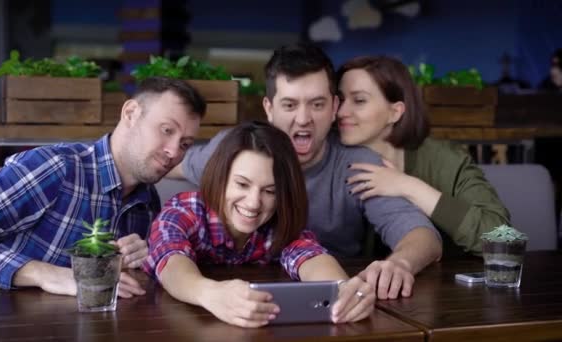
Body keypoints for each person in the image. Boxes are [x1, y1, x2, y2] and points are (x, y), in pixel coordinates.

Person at [169, 44, 442, 300]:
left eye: (317, 104)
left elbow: (423, 236)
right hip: (237, 294)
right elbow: (168, 164)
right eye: (289, 105)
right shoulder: (235, 152)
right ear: (269, 108)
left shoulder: (359, 165)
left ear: (334, 107)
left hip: (334, 295)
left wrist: (398, 263)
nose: (303, 119)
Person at [0, 77, 206, 298]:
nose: (173, 152)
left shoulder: (147, 201)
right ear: (130, 113)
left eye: (184, 144)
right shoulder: (55, 167)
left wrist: (139, 261)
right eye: (166, 130)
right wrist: (44, 274)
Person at [143, 121, 375, 328]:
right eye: (242, 185)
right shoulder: (184, 210)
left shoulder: (279, 222)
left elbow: (311, 257)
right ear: (220, 177)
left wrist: (343, 290)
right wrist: (210, 293)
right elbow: (170, 262)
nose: (254, 203)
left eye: (270, 191)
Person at [336, 55, 511, 256]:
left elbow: (502, 241)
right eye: (340, 100)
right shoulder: (329, 160)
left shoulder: (444, 160)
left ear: (395, 112)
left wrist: (407, 186)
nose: (341, 111)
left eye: (359, 100)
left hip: (448, 284)